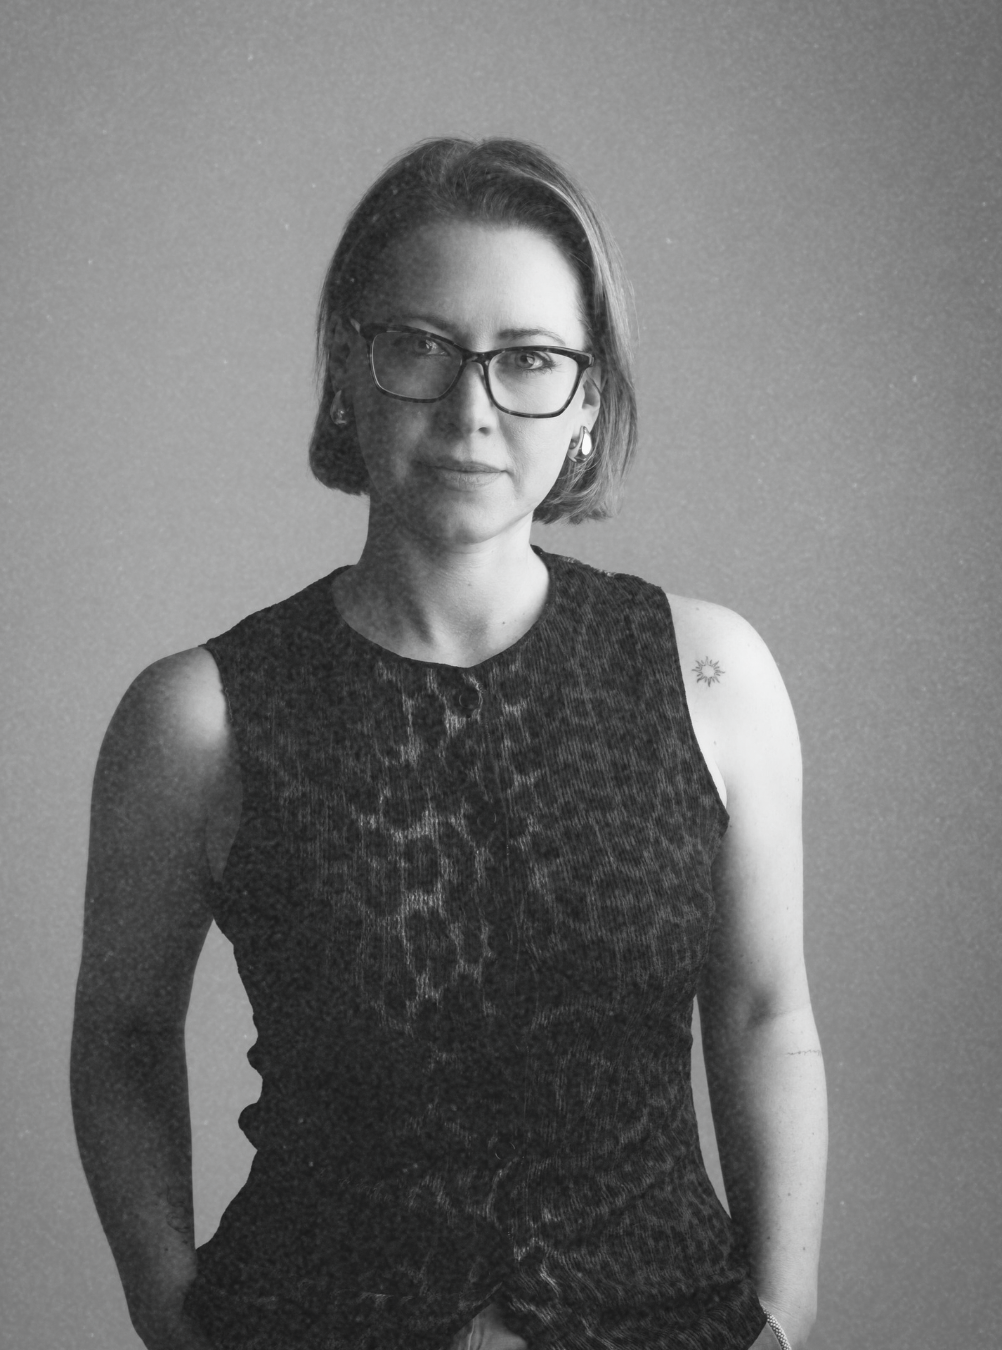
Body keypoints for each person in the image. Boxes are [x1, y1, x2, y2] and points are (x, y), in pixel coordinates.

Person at [71, 137, 827, 1350]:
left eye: (528, 359)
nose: (472, 409)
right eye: (420, 346)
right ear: (346, 370)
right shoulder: (199, 717)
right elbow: (121, 1037)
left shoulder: (712, 676)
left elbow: (762, 1013)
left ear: (587, 399)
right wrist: (172, 1318)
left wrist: (783, 1318)